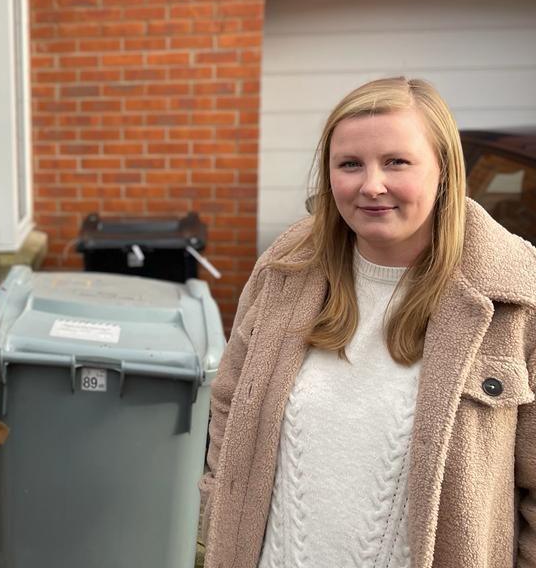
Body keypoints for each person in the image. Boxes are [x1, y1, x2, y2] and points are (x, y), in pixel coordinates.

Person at [199, 76, 536, 567]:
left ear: (443, 169)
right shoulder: (283, 272)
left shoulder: (515, 300)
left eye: (397, 162)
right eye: (350, 164)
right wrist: (216, 509)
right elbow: (229, 407)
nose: (371, 185)